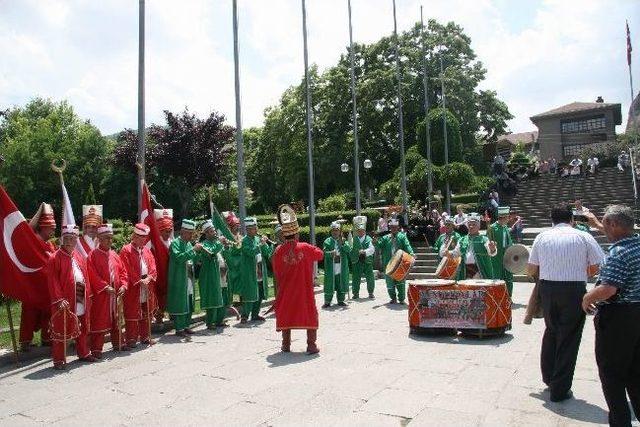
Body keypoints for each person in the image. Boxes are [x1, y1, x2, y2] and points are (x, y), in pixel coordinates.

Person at [526, 203, 604, 402]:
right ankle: (559, 389)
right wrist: (579, 272)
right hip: (573, 291)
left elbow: (532, 269)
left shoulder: (542, 237)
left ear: (551, 220)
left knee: (551, 332)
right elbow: (596, 266)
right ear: (571, 219)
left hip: (548, 290)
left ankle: (549, 378)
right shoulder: (583, 236)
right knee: (568, 338)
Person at [580, 205, 640, 425]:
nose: (602, 227)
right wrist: (596, 223)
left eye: (605, 223)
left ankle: (620, 421)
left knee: (612, 374)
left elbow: (608, 289)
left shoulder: (618, 252)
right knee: (636, 371)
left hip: (619, 318)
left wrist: (587, 297)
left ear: (614, 225)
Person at [271, 205, 324, 354]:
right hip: (304, 290)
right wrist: (309, 248)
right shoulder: (305, 247)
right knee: (309, 314)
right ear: (296, 234)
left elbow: (275, 270)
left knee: (287, 313)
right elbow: (320, 254)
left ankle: (285, 345)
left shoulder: (278, 251)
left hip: (286, 291)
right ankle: (311, 345)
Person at [47, 225, 94, 370]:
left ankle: (84, 353)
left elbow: (85, 276)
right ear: (62, 239)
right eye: (66, 239)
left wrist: (89, 295)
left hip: (80, 296)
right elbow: (52, 280)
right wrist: (59, 299)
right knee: (62, 329)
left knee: (81, 325)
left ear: (76, 240)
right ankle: (59, 360)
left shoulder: (79, 256)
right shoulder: (55, 258)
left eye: (72, 239)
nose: (69, 242)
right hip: (65, 301)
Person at [87, 224, 128, 358]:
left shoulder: (115, 255)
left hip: (115, 293)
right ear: (99, 238)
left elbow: (122, 272)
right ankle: (96, 349)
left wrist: (123, 285)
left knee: (117, 319)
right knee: (99, 320)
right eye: (106, 238)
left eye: (111, 238)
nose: (110, 241)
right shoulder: (92, 255)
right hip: (102, 295)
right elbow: (92, 274)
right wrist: (104, 286)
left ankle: (119, 343)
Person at [20, 203, 56, 352]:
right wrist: (41, 209)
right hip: (32, 286)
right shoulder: (34, 240)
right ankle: (25, 343)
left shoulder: (51, 245)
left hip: (47, 286)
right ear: (43, 227)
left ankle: (47, 339)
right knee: (29, 313)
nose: (54, 229)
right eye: (51, 227)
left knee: (48, 312)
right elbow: (27, 229)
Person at [120, 223, 158, 346]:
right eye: (140, 237)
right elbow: (126, 268)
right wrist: (138, 280)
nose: (143, 240)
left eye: (144, 238)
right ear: (134, 236)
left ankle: (145, 336)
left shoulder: (147, 251)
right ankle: (131, 339)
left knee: (146, 310)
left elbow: (152, 266)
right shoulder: (126, 250)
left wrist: (149, 278)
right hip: (134, 286)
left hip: (146, 284)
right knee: (132, 312)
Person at [167, 219, 201, 336]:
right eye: (189, 233)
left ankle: (186, 325)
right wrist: (193, 250)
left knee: (189, 301)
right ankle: (179, 328)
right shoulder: (175, 243)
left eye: (192, 233)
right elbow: (179, 258)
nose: (191, 235)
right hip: (179, 278)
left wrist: (199, 254)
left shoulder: (188, 244)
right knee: (181, 303)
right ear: (182, 232)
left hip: (189, 277)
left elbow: (193, 259)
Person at [238, 217, 272, 324]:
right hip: (250, 271)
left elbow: (266, 253)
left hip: (260, 268)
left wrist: (266, 244)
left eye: (256, 228)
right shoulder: (244, 241)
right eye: (253, 228)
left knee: (260, 292)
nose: (256, 230)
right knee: (249, 293)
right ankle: (244, 315)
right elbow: (250, 252)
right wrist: (260, 245)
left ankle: (255, 314)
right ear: (248, 229)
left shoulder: (258, 239)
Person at [443, 214, 497, 280]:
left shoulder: (484, 239)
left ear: (479, 226)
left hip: (480, 274)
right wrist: (448, 253)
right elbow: (455, 254)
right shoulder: (462, 240)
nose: (471, 226)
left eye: (474, 224)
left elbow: (492, 253)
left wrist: (493, 249)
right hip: (465, 272)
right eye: (469, 224)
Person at [375, 219, 414, 304]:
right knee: (389, 282)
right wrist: (375, 242)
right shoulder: (385, 238)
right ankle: (393, 298)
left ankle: (401, 299)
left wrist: (411, 253)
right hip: (388, 263)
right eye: (392, 227)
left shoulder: (402, 236)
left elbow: (407, 245)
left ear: (398, 227)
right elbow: (379, 245)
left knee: (400, 281)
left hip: (400, 263)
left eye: (395, 227)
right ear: (390, 228)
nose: (393, 228)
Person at [198, 220, 226, 330]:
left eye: (214, 231)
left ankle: (218, 320)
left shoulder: (215, 243)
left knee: (219, 297)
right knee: (211, 298)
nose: (214, 233)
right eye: (211, 231)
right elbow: (211, 253)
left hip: (218, 274)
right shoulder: (204, 244)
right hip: (209, 276)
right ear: (206, 233)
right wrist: (220, 243)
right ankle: (210, 322)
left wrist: (226, 246)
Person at [322, 221, 351, 308]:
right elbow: (324, 253)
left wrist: (343, 244)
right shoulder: (327, 241)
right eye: (333, 230)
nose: (335, 232)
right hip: (331, 267)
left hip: (341, 267)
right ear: (331, 231)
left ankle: (341, 300)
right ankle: (327, 301)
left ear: (339, 232)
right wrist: (330, 253)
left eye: (337, 230)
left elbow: (348, 250)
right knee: (329, 283)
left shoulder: (343, 241)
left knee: (341, 283)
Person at [152, 208, 173, 324]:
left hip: (170, 273)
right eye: (166, 231)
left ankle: (172, 313)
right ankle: (158, 316)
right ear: (159, 230)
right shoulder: (155, 243)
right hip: (159, 273)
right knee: (159, 295)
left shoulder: (172, 242)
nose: (168, 233)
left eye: (170, 230)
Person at [489, 207, 514, 296]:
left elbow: (509, 241)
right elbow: (488, 244)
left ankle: (508, 297)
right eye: (508, 217)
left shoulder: (505, 228)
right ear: (503, 217)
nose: (509, 219)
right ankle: (498, 297)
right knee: (497, 277)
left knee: (508, 277)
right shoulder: (492, 228)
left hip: (507, 257)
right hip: (496, 257)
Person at [350, 216, 376, 299]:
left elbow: (372, 249)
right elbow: (350, 249)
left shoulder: (369, 239)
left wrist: (365, 252)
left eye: (362, 230)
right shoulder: (353, 240)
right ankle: (355, 293)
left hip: (367, 260)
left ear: (364, 231)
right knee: (355, 278)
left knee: (370, 277)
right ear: (357, 231)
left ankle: (371, 292)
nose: (360, 232)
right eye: (359, 231)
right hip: (356, 261)